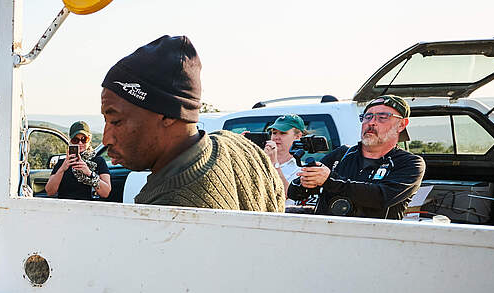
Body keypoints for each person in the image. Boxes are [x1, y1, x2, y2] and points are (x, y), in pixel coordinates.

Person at [101, 35, 284, 212]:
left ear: (167, 115)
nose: (105, 139)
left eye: (116, 121)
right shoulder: (243, 148)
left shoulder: (171, 212)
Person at [288, 95, 425, 220]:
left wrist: (329, 180)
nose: (371, 122)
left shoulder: (410, 163)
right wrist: (305, 181)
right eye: (368, 116)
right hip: (326, 238)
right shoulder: (341, 155)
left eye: (382, 117)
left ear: (401, 124)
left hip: (375, 242)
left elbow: (381, 197)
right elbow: (294, 193)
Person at [45, 121, 112, 200]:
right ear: (70, 141)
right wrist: (62, 169)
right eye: (75, 140)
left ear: (89, 140)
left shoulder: (98, 161)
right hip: (66, 207)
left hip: (89, 207)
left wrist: (89, 173)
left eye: (84, 139)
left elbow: (106, 193)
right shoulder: (62, 163)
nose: (80, 143)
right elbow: (50, 192)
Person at [262, 114, 310, 192]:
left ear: (298, 137)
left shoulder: (301, 169)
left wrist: (274, 163)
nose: (276, 137)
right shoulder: (261, 161)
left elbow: (287, 194)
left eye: (283, 133)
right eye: (274, 133)